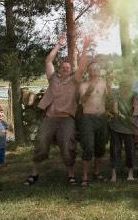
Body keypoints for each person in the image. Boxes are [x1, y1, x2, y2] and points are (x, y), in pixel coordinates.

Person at [24, 34, 90, 186]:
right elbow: (48, 61)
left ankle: (71, 174)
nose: (66, 69)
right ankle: (34, 173)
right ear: (59, 69)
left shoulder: (75, 80)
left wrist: (85, 48)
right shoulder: (53, 78)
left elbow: (82, 66)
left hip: (67, 119)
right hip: (50, 118)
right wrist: (58, 45)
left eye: (68, 67)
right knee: (41, 143)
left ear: (70, 70)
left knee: (68, 146)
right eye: (63, 67)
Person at [78, 61, 109, 186]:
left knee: (100, 147)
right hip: (88, 118)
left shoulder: (104, 84)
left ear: (100, 71)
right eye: (92, 69)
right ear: (89, 71)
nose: (95, 71)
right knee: (88, 147)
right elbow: (82, 101)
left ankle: (96, 173)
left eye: (97, 69)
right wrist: (89, 91)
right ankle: (85, 176)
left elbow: (109, 99)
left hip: (101, 118)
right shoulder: (83, 85)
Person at [109, 76, 138, 182]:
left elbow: (135, 108)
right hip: (116, 126)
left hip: (129, 126)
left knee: (130, 150)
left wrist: (134, 114)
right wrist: (119, 114)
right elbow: (115, 108)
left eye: (127, 86)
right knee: (115, 150)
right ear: (120, 86)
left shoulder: (134, 94)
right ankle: (113, 174)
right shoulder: (116, 93)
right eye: (123, 86)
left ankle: (130, 173)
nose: (125, 88)